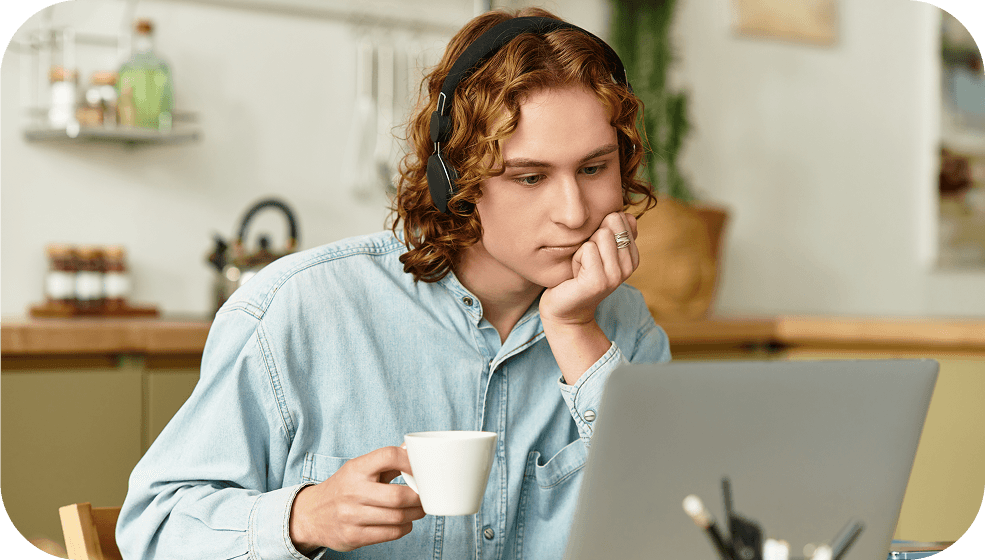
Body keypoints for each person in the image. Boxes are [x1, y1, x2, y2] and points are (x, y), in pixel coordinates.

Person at [117, 7, 670, 559]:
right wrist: (302, 518)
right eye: (531, 177)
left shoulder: (626, 330)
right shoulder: (298, 310)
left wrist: (575, 331)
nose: (574, 214)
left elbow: (676, 530)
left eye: (594, 168)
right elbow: (154, 529)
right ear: (456, 178)